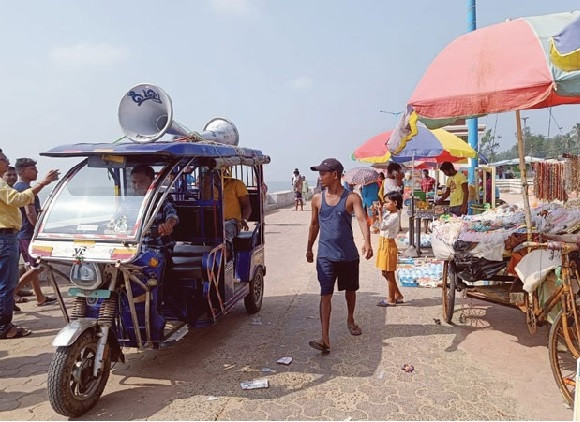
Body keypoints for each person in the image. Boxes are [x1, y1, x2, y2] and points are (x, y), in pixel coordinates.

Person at [306, 158, 373, 354]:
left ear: (334, 174)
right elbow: (314, 225)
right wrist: (309, 247)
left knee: (350, 291)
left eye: (323, 173)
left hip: (348, 255)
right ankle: (325, 338)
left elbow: (361, 219)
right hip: (325, 254)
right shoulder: (317, 199)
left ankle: (350, 318)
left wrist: (367, 241)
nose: (320, 177)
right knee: (325, 294)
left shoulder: (352, 198)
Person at [0, 149, 59, 340]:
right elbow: (21, 202)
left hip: (12, 235)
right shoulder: (14, 187)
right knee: (12, 281)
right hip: (12, 235)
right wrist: (44, 182)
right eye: (4, 159)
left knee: (21, 273)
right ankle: (5, 326)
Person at [12, 158, 57, 307]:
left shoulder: (20, 187)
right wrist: (40, 230)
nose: (36, 171)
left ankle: (40, 297)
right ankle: (10, 295)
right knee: (40, 266)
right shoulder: (24, 188)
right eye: (33, 169)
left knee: (31, 267)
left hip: (21, 234)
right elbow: (30, 214)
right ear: (23, 171)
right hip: (28, 234)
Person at [130, 165, 178, 255]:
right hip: (133, 251)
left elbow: (172, 214)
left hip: (157, 250)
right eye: (134, 182)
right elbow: (118, 219)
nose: (137, 186)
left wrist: (168, 225)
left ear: (152, 182)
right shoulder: (130, 202)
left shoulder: (161, 198)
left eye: (142, 182)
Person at [375, 190, 404, 307]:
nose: (385, 204)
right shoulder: (389, 213)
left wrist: (380, 213)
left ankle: (391, 298)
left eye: (387, 202)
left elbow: (382, 225)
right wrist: (378, 214)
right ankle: (397, 294)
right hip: (383, 244)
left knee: (389, 272)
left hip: (388, 245)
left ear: (395, 203)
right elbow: (378, 225)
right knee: (384, 272)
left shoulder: (395, 216)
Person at [223, 168, 252, 257]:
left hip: (232, 222)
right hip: (212, 221)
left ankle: (226, 261)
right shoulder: (207, 185)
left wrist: (244, 219)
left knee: (224, 231)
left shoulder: (236, 184)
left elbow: (247, 206)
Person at [379, 162, 403, 231]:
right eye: (398, 171)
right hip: (391, 203)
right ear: (394, 171)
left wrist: (399, 180)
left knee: (397, 215)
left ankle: (397, 227)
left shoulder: (393, 180)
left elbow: (400, 190)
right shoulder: (387, 181)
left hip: (395, 203)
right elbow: (396, 191)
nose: (399, 172)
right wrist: (399, 180)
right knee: (390, 217)